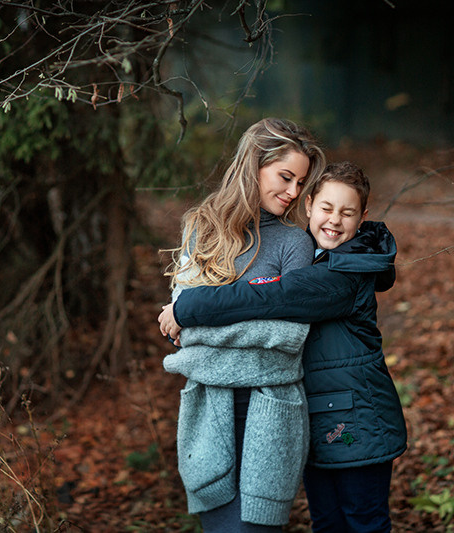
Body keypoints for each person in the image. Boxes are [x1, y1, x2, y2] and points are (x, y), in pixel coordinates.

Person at [159, 161, 407, 532]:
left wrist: (187, 308)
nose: (334, 220)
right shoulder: (319, 256)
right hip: (321, 419)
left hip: (357, 422)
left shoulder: (345, 274)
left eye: (347, 212)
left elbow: (271, 297)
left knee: (363, 523)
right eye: (326, 208)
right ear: (309, 207)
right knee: (327, 523)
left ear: (362, 218)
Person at [161, 118, 326, 530]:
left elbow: (291, 335)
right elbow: (182, 327)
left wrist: (202, 319)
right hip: (208, 407)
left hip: (270, 410)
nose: (292, 193)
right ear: (253, 165)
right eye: (285, 177)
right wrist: (249, 320)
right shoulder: (202, 227)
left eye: (300, 184)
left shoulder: (296, 243)